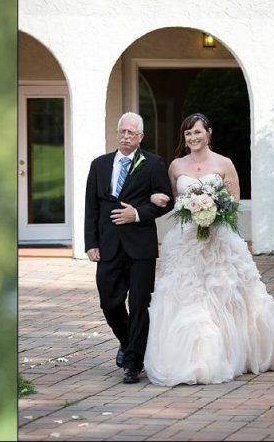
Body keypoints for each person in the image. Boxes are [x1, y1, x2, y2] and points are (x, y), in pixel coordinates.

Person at [143, 113, 274, 386]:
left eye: (197, 132)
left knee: (227, 291)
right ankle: (191, 357)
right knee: (187, 294)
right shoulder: (176, 166)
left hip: (219, 239)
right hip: (187, 242)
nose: (192, 137)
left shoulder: (224, 163)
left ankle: (238, 351)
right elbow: (173, 201)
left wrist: (213, 211)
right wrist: (159, 199)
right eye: (188, 133)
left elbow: (233, 203)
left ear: (209, 133)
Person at [84, 112, 174, 384]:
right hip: (109, 246)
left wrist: (137, 213)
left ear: (140, 137)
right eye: (122, 131)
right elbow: (92, 206)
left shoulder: (153, 163)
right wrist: (91, 243)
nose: (125, 136)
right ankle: (128, 342)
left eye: (131, 133)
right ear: (117, 133)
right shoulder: (99, 165)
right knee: (109, 303)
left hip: (140, 247)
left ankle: (133, 363)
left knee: (138, 303)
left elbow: (166, 202)